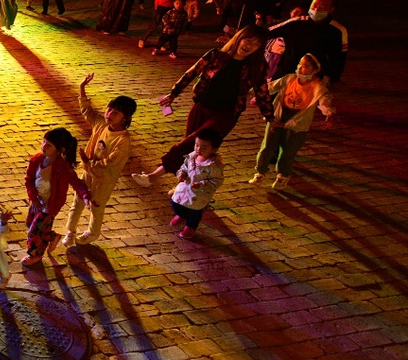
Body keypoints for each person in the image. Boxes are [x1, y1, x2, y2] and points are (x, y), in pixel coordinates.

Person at [133, 25, 275, 187]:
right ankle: (188, 187)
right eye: (248, 40)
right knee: (193, 151)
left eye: (256, 44)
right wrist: (173, 94)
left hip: (225, 115)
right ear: (239, 38)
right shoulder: (215, 55)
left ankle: (153, 176)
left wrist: (271, 118)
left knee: (189, 145)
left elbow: (262, 93)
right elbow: (191, 73)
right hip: (201, 108)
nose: (249, 46)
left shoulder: (256, 67)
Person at [62, 75, 134, 247]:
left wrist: (89, 161)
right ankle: (70, 231)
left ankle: (92, 233)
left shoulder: (123, 140)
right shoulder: (101, 124)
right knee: (77, 201)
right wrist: (82, 88)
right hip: (88, 173)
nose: (110, 114)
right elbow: (88, 111)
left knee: (96, 206)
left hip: (104, 179)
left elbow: (111, 161)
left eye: (116, 113)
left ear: (125, 118)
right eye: (109, 109)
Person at [250, 54, 335, 190]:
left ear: (315, 69)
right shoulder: (289, 79)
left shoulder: (317, 86)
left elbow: (323, 100)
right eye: (299, 64)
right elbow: (271, 87)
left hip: (297, 123)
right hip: (278, 117)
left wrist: (329, 112)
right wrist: (254, 90)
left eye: (305, 66)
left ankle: (282, 176)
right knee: (267, 147)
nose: (301, 68)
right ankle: (260, 172)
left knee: (288, 151)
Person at [22, 128, 92, 266]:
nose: (44, 147)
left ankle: (35, 254)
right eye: (44, 142)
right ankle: (52, 236)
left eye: (49, 145)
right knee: (30, 223)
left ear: (59, 149)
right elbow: (29, 180)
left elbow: (76, 182)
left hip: (50, 206)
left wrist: (85, 196)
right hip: (37, 202)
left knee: (34, 232)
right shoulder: (36, 160)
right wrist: (34, 199)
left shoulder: (63, 167)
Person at [265, 0, 348, 83]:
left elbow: (339, 58)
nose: (316, 9)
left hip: (313, 77)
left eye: (322, 7)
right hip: (285, 72)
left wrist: (333, 78)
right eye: (314, 5)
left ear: (331, 10)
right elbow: (266, 33)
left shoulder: (337, 30)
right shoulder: (296, 22)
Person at [169, 129, 225, 241]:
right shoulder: (191, 156)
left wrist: (202, 185)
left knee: (195, 212)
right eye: (197, 145)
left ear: (214, 149)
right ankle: (181, 214)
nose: (198, 149)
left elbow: (217, 181)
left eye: (204, 147)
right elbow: (184, 167)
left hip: (199, 195)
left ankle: (190, 226)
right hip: (185, 189)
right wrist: (181, 173)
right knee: (175, 202)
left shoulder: (213, 166)